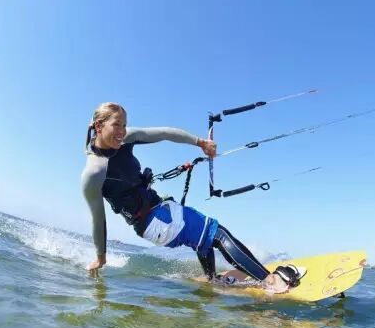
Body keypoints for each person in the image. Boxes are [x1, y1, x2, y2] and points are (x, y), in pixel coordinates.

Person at [81, 102, 303, 293]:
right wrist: (101, 258)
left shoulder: (124, 139)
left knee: (203, 240)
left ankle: (211, 280)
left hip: (158, 213)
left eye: (124, 124)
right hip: (153, 221)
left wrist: (200, 142)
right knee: (217, 233)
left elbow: (164, 133)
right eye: (116, 125)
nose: (122, 131)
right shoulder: (94, 172)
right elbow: (98, 220)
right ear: (99, 126)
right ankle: (270, 281)